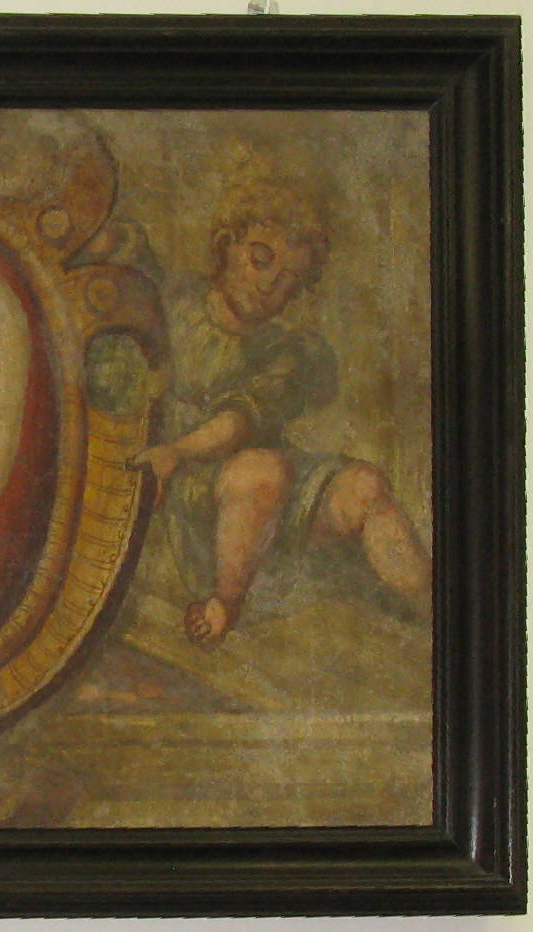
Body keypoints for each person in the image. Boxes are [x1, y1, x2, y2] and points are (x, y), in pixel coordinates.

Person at [127, 178, 432, 647]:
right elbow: (124, 269)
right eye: (261, 258)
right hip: (202, 486)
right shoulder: (176, 299)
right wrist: (176, 453)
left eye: (288, 279)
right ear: (224, 247)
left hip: (234, 461)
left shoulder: (286, 350)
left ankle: (438, 607)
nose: (269, 284)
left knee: (365, 486)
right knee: (260, 473)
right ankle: (225, 602)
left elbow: (241, 420)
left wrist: (178, 450)